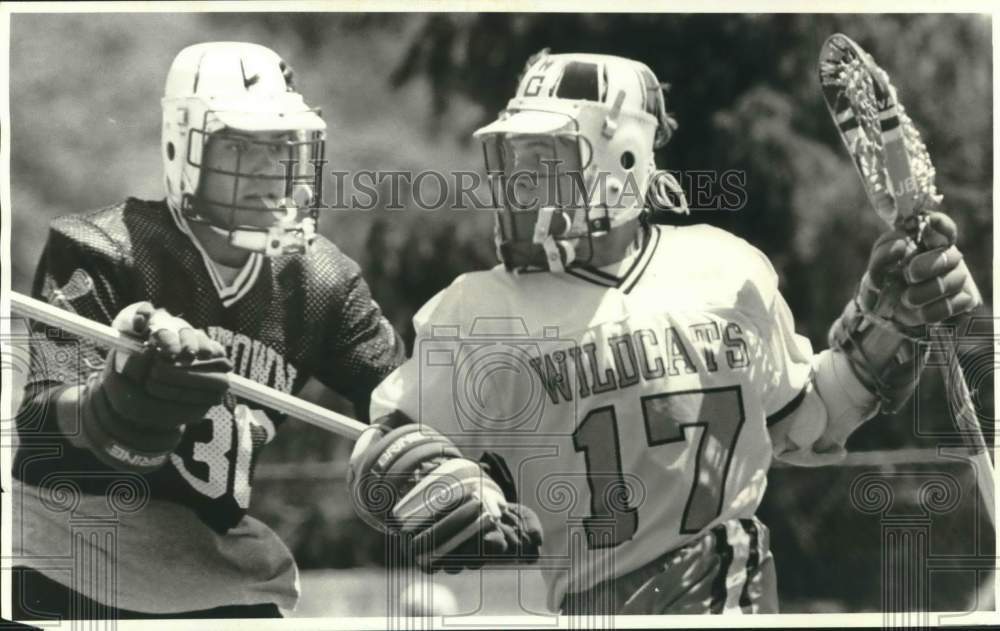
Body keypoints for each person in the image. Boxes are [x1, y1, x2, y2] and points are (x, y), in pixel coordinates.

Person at [347, 52, 982, 615]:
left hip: (727, 590)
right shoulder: (477, 310)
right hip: (590, 603)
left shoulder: (725, 269)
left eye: (546, 158)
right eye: (516, 159)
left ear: (622, 156)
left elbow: (805, 420)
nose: (521, 179)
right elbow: (386, 454)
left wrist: (889, 329)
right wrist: (422, 488)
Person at [12, 41, 404, 619]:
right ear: (181, 145)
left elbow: (402, 410)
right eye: (240, 147)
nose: (268, 169)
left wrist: (448, 479)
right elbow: (39, 422)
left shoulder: (321, 279)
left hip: (215, 570)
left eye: (281, 148)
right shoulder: (105, 247)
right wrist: (107, 403)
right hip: (67, 551)